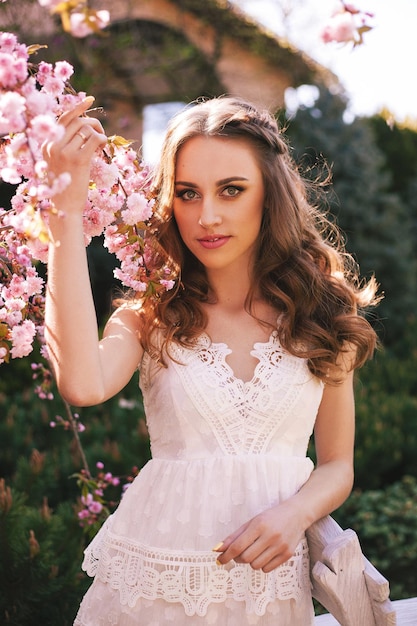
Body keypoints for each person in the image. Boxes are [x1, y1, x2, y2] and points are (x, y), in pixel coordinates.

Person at [44, 95, 379, 625]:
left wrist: (296, 513)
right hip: (152, 586)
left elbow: (338, 464)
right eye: (187, 193)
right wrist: (63, 211)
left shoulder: (321, 313)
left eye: (232, 190)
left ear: (269, 194)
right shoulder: (150, 314)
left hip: (269, 590)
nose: (208, 216)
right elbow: (81, 385)